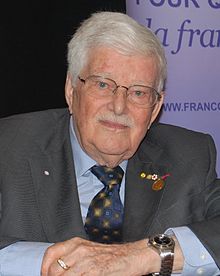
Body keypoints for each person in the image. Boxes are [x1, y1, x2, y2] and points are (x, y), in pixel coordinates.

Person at [0, 11, 220, 276]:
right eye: (103, 84)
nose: (119, 106)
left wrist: (143, 256)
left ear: (154, 109)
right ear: (71, 90)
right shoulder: (9, 147)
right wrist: (59, 262)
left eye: (138, 92)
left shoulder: (189, 155)